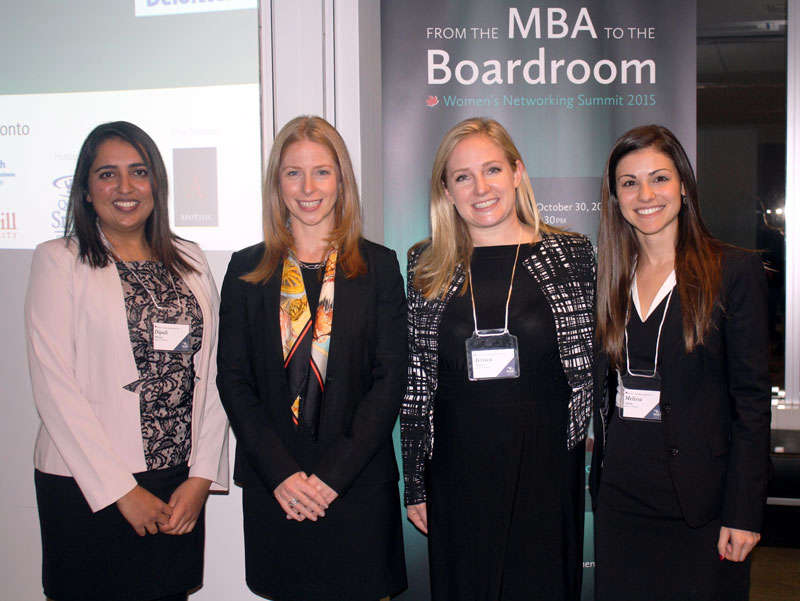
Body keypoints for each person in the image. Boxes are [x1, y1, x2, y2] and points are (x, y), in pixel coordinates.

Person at [25, 121, 229, 601]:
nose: (125, 187)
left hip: (175, 480)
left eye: (138, 172)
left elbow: (217, 372)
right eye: (107, 174)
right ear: (86, 189)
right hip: (86, 484)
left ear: (156, 182)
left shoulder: (191, 259)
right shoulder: (58, 260)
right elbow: (54, 385)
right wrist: (122, 491)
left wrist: (201, 476)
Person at [401, 117, 595, 601]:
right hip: (457, 471)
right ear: (446, 191)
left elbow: (594, 369)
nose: (480, 187)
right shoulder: (424, 265)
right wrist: (415, 482)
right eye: (463, 176)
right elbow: (419, 380)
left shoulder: (570, 254)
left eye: (492, 169)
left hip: (546, 468)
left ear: (517, 172)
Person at [216, 115, 407, 601]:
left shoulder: (380, 266)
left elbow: (388, 381)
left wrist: (330, 478)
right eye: (292, 172)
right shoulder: (245, 269)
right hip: (274, 486)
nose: (307, 187)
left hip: (357, 483)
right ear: (276, 184)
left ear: (341, 179)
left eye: (321, 171)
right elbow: (233, 380)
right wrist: (282, 474)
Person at [591, 124, 771, 601]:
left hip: (702, 504)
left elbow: (751, 404)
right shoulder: (608, 278)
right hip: (622, 499)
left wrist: (744, 511)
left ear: (684, 187)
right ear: (614, 197)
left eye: (659, 178)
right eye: (629, 183)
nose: (644, 194)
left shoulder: (733, 271)